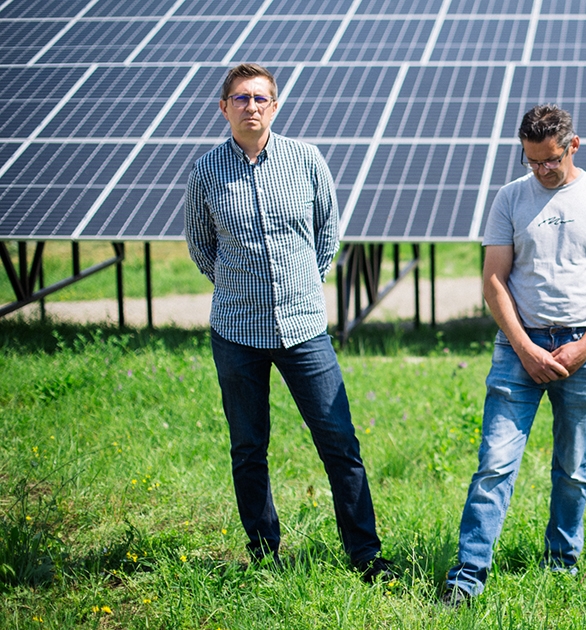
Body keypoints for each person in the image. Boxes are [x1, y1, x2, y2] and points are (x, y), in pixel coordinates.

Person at [184, 63, 395, 583]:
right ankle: (264, 555)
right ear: (223, 108)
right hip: (236, 331)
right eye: (240, 98)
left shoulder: (305, 160)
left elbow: (328, 232)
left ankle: (365, 556)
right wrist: (241, 289)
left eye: (260, 98)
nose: (251, 106)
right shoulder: (206, 172)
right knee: (249, 448)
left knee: (339, 441)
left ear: (274, 106)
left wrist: (303, 285)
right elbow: (200, 247)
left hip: (305, 330)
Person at [442, 104, 586, 607]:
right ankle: (467, 576)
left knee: (573, 466)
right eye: (533, 162)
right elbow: (493, 280)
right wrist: (525, 348)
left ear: (573, 145)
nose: (543, 171)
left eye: (551, 160)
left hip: (583, 348)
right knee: (495, 463)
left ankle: (562, 563)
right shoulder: (510, 198)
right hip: (518, 347)